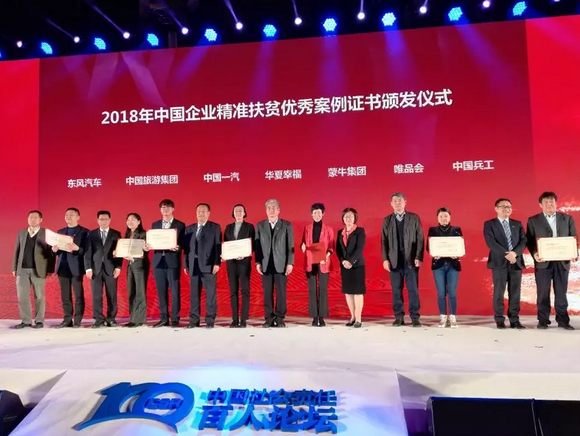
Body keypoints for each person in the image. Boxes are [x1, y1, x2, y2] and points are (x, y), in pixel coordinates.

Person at [526, 191, 577, 330]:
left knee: (561, 293)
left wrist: (573, 252)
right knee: (543, 292)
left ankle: (563, 320)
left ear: (556, 203)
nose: (549, 204)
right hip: (543, 262)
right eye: (546, 202)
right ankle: (543, 320)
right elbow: (529, 240)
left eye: (552, 202)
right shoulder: (533, 220)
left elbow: (573, 237)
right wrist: (534, 253)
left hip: (562, 261)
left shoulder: (567, 218)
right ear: (540, 204)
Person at [381, 192, 425, 327]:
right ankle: (399, 317)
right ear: (391, 204)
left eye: (400, 201)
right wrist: (385, 259)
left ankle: (415, 317)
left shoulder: (414, 218)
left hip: (411, 260)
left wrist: (418, 256)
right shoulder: (387, 220)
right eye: (395, 201)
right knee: (396, 290)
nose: (398, 203)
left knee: (413, 289)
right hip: (394, 260)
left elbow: (420, 238)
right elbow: (384, 241)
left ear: (405, 202)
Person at [483, 198, 526, 329]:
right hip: (499, 262)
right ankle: (499, 319)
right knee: (499, 292)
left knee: (515, 292)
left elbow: (523, 241)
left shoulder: (517, 224)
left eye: (508, 207)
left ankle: (514, 319)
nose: (506, 209)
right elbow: (491, 242)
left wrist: (515, 253)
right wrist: (507, 254)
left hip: (516, 262)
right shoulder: (489, 224)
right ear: (496, 209)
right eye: (503, 206)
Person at [12, 210, 55, 329]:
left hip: (39, 270)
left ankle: (39, 321)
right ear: (27, 219)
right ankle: (26, 321)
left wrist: (50, 269)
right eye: (30, 217)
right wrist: (14, 267)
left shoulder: (46, 233)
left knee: (40, 297)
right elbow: (17, 250)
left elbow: (51, 253)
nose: (33, 219)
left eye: (35, 217)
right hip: (22, 270)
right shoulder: (21, 233)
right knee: (22, 297)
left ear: (41, 220)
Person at [255, 199, 294, 328]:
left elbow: (290, 246)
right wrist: (258, 262)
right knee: (267, 292)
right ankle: (269, 318)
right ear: (266, 211)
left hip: (281, 264)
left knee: (281, 292)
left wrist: (290, 263)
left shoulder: (286, 225)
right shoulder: (260, 226)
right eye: (269, 208)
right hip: (266, 264)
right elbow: (257, 246)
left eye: (273, 208)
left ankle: (280, 318)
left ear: (278, 210)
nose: (271, 210)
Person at [148, 199, 185, 328]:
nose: (165, 209)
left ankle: (175, 318)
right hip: (158, 261)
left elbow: (183, 243)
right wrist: (148, 246)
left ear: (173, 209)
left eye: (168, 207)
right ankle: (164, 318)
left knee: (174, 291)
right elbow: (152, 240)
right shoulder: (155, 224)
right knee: (161, 291)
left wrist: (178, 247)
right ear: (160, 209)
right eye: (163, 207)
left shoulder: (180, 225)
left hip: (172, 261)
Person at [184, 203, 221, 329]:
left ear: (208, 213)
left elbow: (217, 246)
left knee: (210, 294)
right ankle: (194, 320)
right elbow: (186, 249)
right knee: (194, 294)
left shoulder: (214, 227)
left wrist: (217, 263)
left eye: (204, 211)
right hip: (193, 265)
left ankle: (210, 320)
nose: (201, 213)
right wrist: (185, 264)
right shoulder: (189, 228)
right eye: (199, 211)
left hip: (208, 265)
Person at [52, 207, 89, 328]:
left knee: (78, 295)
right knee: (65, 296)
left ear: (78, 217)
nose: (68, 217)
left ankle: (77, 320)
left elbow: (87, 251)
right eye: (66, 215)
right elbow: (57, 251)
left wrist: (77, 249)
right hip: (62, 266)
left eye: (71, 215)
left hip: (76, 267)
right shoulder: (61, 231)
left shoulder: (84, 232)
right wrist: (54, 250)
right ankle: (67, 319)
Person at [85, 211, 122, 328]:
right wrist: (88, 268)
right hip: (95, 269)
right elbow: (87, 252)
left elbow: (119, 252)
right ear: (97, 220)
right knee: (96, 295)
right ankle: (98, 319)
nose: (103, 221)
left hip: (111, 268)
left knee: (112, 295)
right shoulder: (91, 234)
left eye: (106, 219)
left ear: (110, 220)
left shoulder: (116, 234)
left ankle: (111, 319)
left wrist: (118, 267)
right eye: (101, 219)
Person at [427, 208, 462, 328]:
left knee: (452, 292)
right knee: (441, 292)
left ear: (450, 217)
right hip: (438, 265)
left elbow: (460, 246)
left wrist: (457, 253)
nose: (443, 218)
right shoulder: (433, 230)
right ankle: (443, 317)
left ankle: (452, 317)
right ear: (437, 218)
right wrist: (433, 253)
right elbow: (428, 246)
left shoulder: (456, 230)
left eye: (446, 216)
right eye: (441, 216)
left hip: (453, 265)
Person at [301, 203, 334, 327]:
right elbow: (303, 243)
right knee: (312, 289)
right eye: (315, 213)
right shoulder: (307, 228)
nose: (317, 215)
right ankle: (314, 317)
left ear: (323, 214)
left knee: (323, 289)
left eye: (319, 213)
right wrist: (302, 246)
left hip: (323, 262)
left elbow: (331, 247)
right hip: (310, 262)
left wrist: (326, 256)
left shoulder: (329, 229)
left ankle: (322, 316)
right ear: (311, 214)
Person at [223, 204, 255, 328]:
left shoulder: (249, 227)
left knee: (245, 290)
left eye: (240, 210)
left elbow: (253, 244)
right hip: (231, 263)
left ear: (244, 213)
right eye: (236, 210)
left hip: (244, 262)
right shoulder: (228, 227)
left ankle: (244, 319)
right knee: (233, 291)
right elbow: (226, 244)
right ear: (233, 213)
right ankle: (235, 319)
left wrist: (245, 253)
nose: (238, 212)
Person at [336, 208, 366, 328]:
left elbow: (360, 248)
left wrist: (351, 261)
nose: (348, 219)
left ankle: (358, 318)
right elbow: (338, 250)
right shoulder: (340, 232)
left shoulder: (360, 231)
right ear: (343, 218)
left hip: (357, 265)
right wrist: (343, 261)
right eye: (346, 216)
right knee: (348, 292)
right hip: (345, 266)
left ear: (355, 218)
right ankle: (352, 317)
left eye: (351, 216)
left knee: (357, 292)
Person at [123, 213, 149, 327]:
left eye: (133, 219)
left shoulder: (143, 234)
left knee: (140, 292)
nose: (130, 222)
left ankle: (139, 320)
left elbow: (146, 249)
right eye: (128, 220)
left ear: (139, 221)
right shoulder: (128, 234)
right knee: (131, 292)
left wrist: (144, 249)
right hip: (130, 265)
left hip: (140, 265)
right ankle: (133, 318)